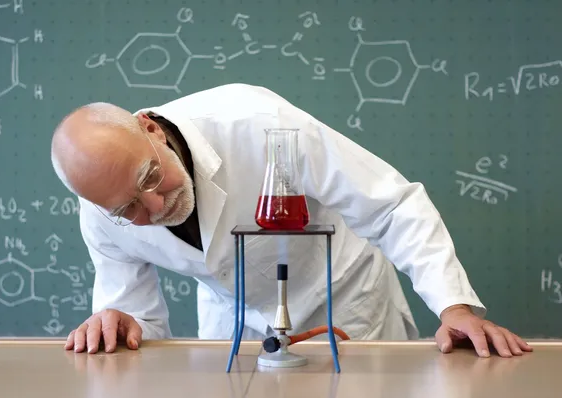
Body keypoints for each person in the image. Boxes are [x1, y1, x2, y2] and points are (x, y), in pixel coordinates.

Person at [50, 83, 532, 358]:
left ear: (150, 128)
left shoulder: (257, 123)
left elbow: (391, 206)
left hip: (344, 303)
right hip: (234, 326)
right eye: (128, 208)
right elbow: (138, 328)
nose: (154, 208)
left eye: (151, 176)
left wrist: (454, 308)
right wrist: (118, 320)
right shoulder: (101, 212)